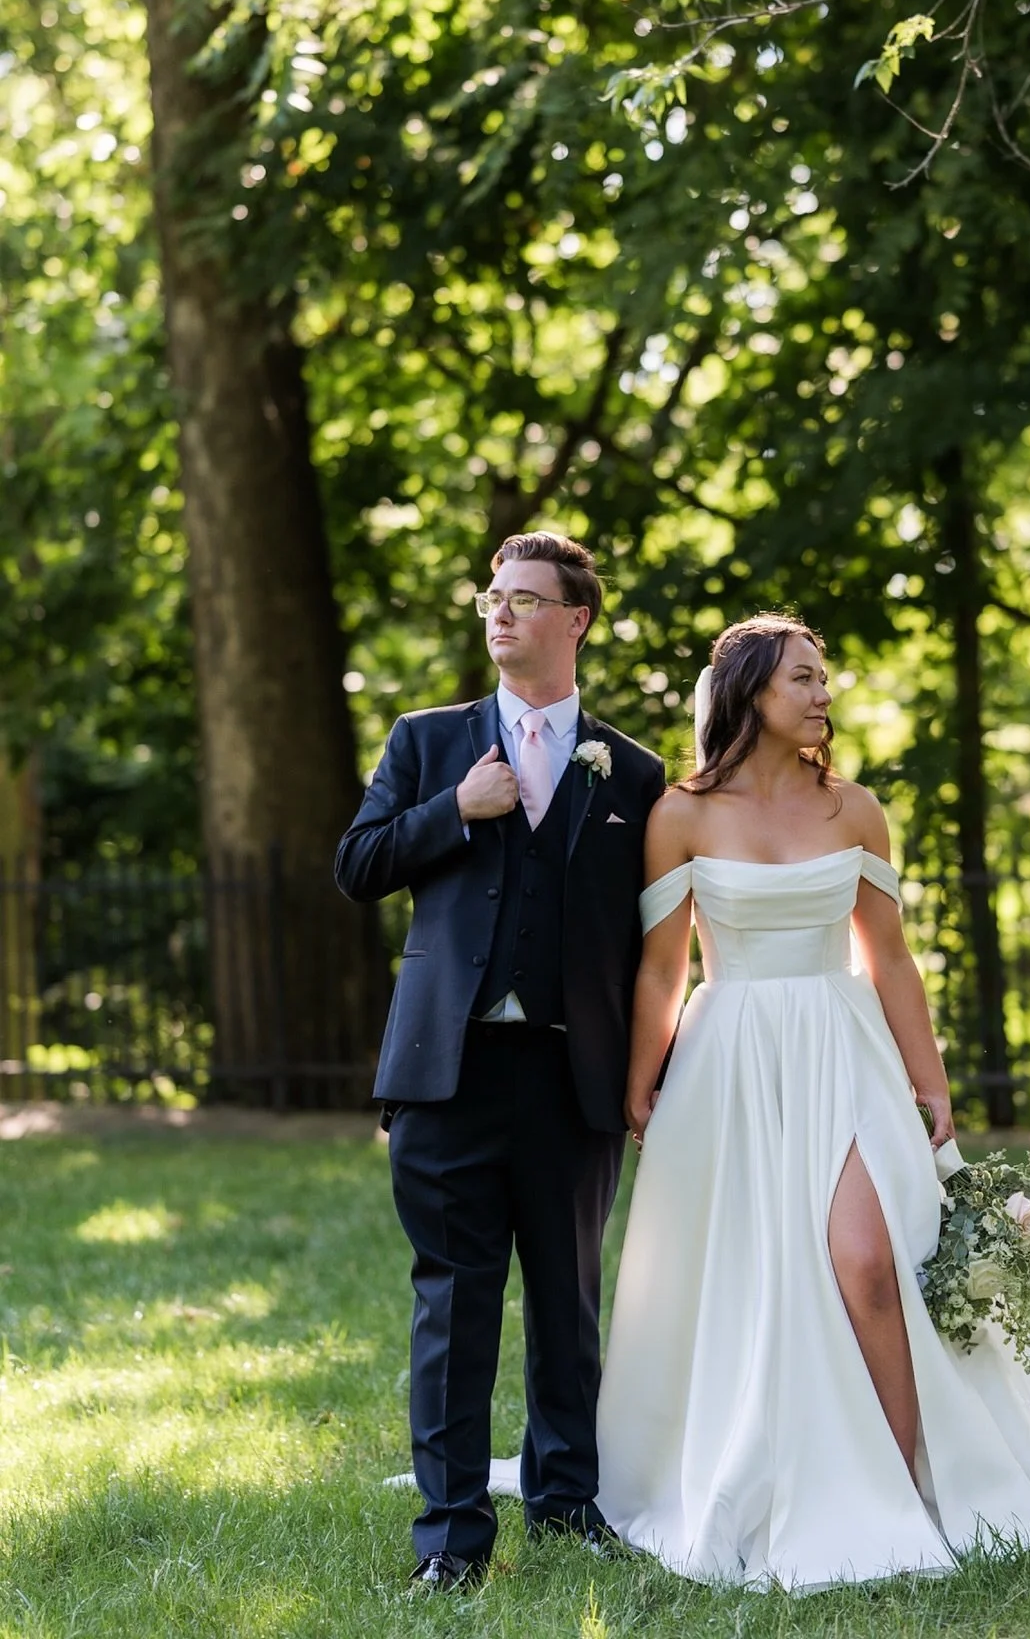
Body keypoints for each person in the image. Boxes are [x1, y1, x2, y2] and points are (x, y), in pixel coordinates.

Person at [589, 613, 1030, 1592]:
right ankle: (788, 1464)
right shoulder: (682, 814)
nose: (822, 694)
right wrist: (641, 1084)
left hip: (845, 1055)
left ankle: (919, 1485)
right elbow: (662, 969)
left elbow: (892, 961)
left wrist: (931, 1081)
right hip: (733, 1068)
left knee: (871, 1265)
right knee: (760, 1287)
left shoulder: (856, 810)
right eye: (804, 678)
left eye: (823, 678)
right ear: (752, 688)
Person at [335, 531, 665, 1592]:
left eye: (525, 600)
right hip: (445, 1073)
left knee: (567, 1304)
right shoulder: (428, 743)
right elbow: (356, 865)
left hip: (571, 1081)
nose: (500, 615)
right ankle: (450, 1542)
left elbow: (649, 939)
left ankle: (568, 1508)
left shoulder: (638, 772)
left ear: (574, 621)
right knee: (453, 1307)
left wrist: (641, 1070)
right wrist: (454, 814)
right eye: (493, 597)